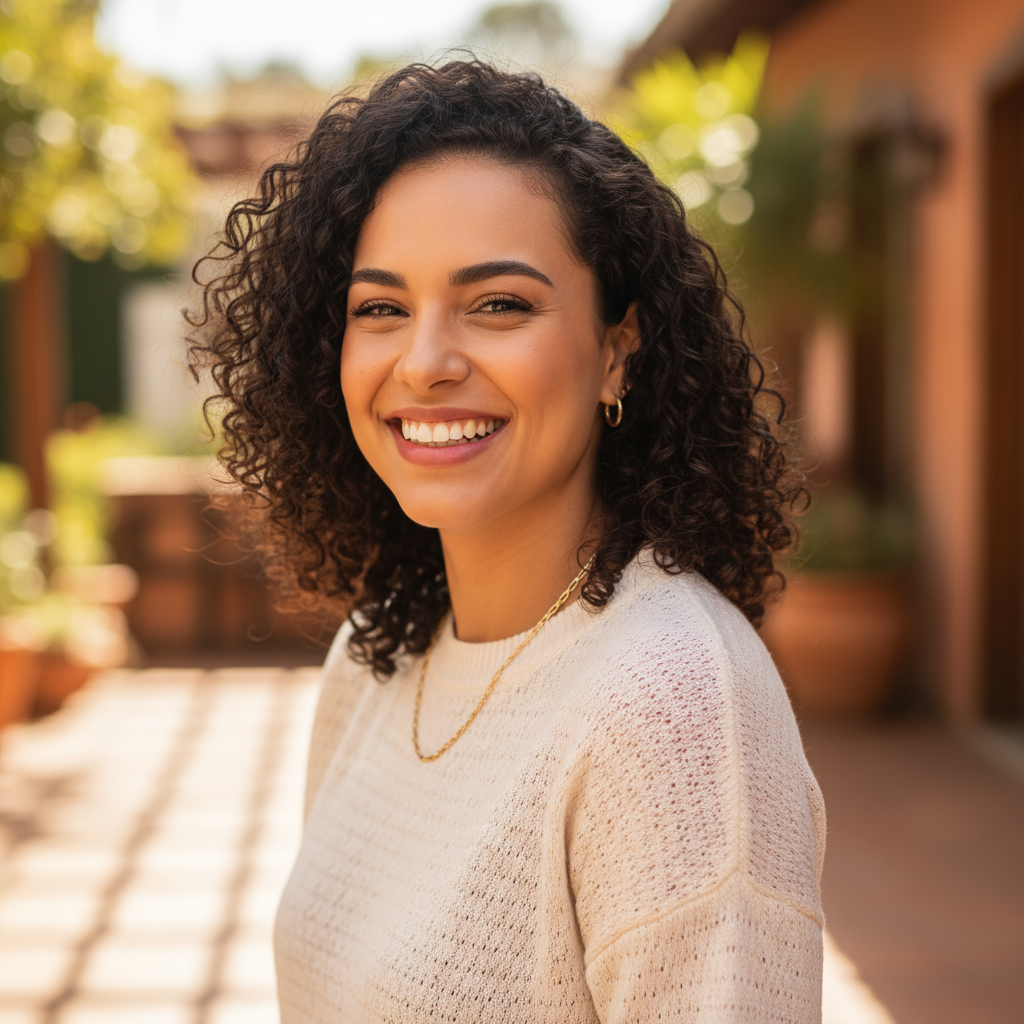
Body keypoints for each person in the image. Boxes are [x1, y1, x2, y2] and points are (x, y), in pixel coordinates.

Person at [189, 60, 825, 1023]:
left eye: (499, 304)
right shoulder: (380, 655)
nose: (426, 361)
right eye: (381, 308)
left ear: (618, 347)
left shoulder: (674, 708)